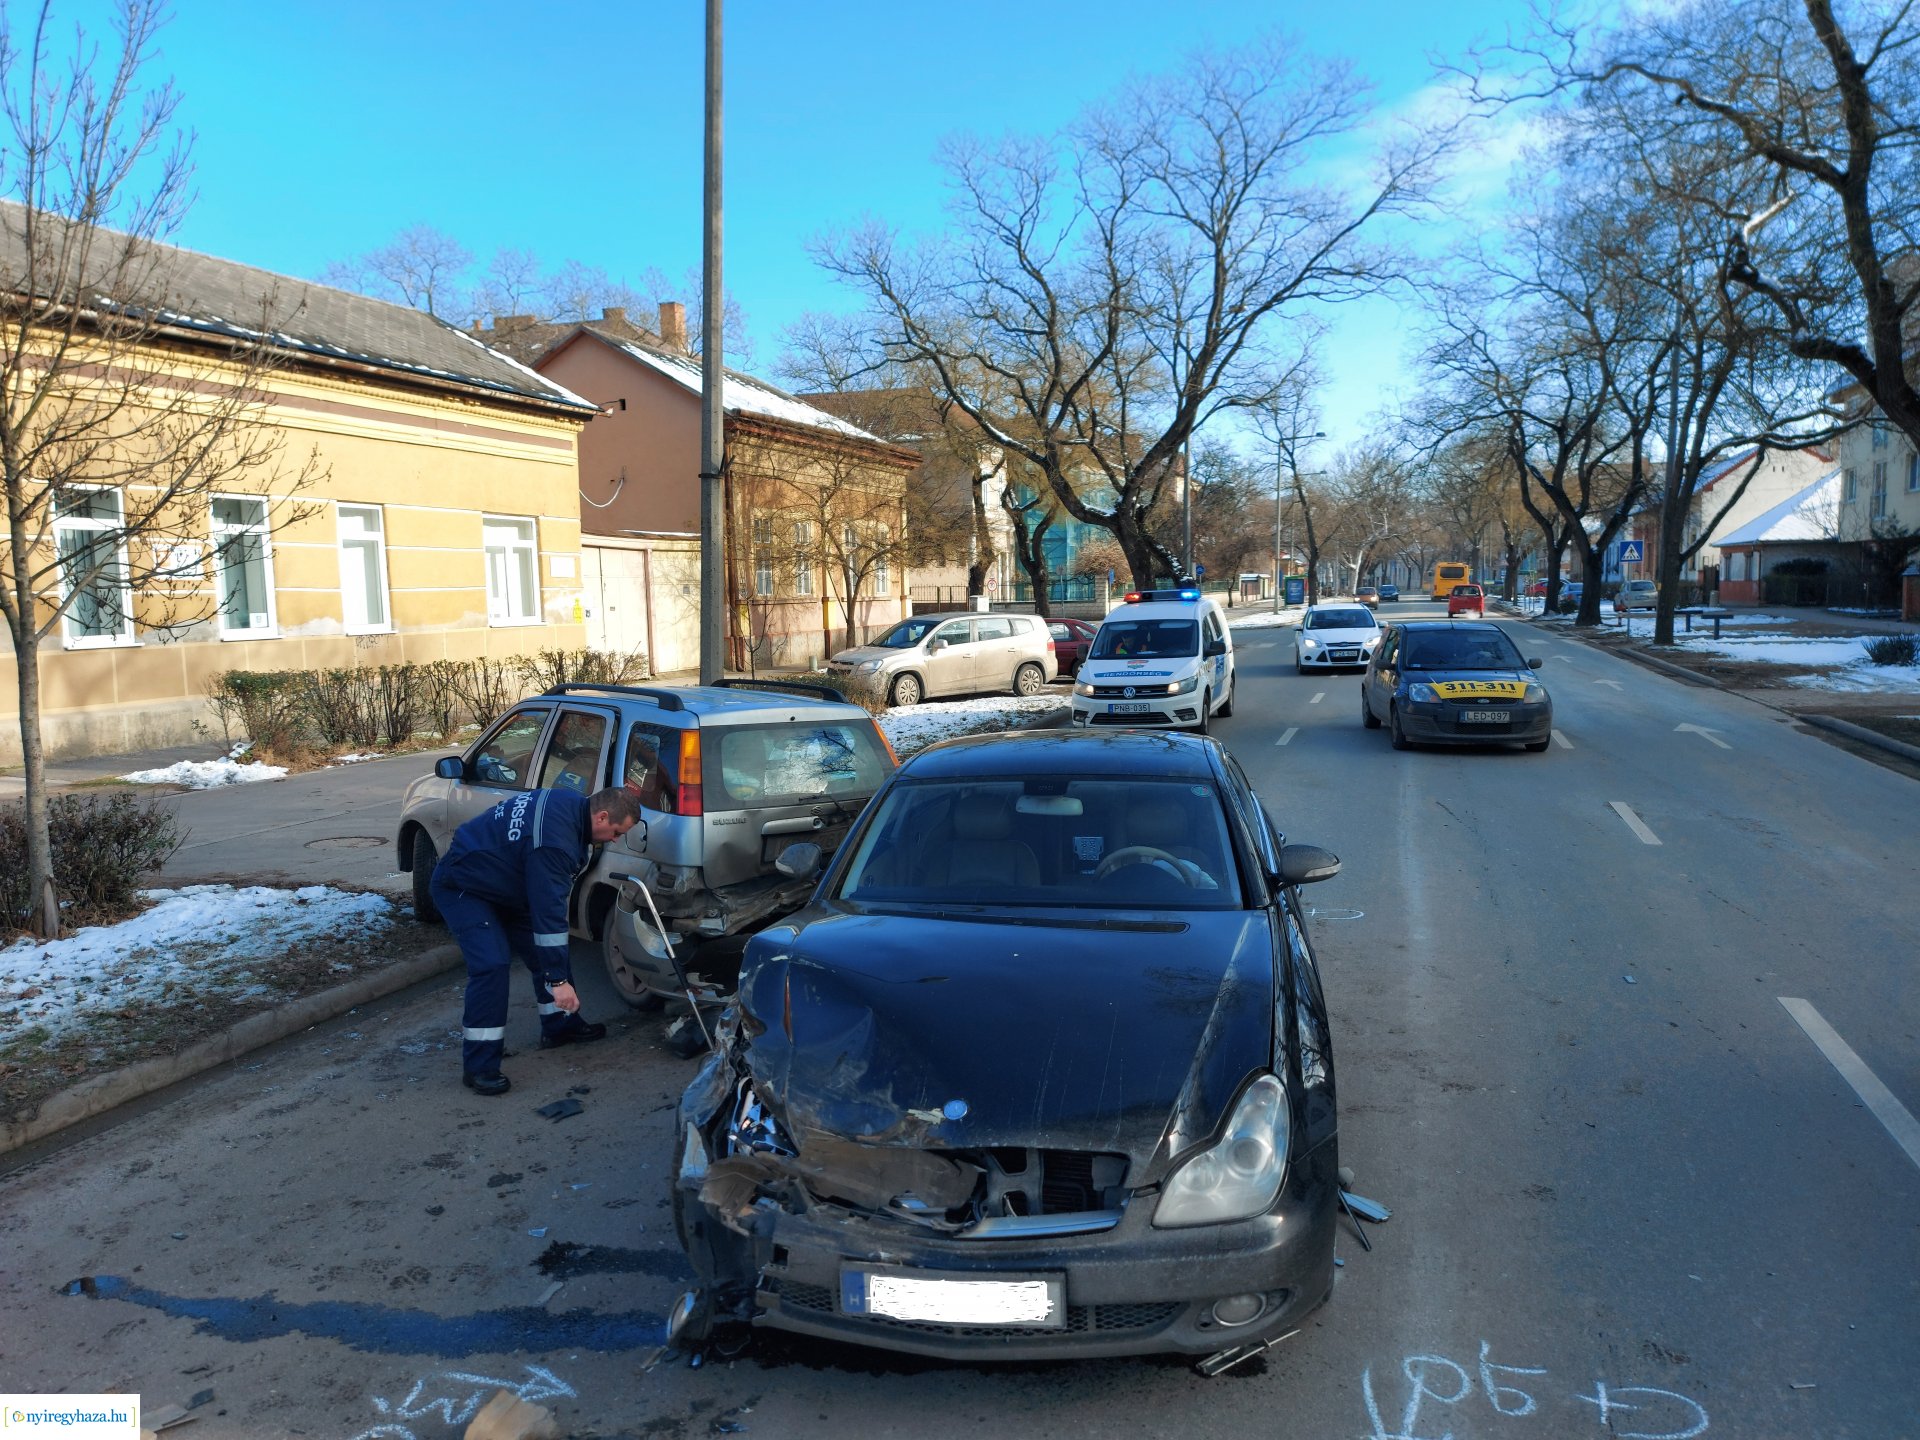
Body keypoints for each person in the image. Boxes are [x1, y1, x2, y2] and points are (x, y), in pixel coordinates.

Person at [432, 785, 641, 1096]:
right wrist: (559, 982)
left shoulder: (570, 801)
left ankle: (560, 1026)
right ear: (601, 816)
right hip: (464, 886)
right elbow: (548, 915)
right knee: (492, 964)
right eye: (616, 832)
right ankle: (479, 1067)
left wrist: (555, 972)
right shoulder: (555, 844)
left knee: (545, 949)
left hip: (505, 884)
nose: (614, 840)